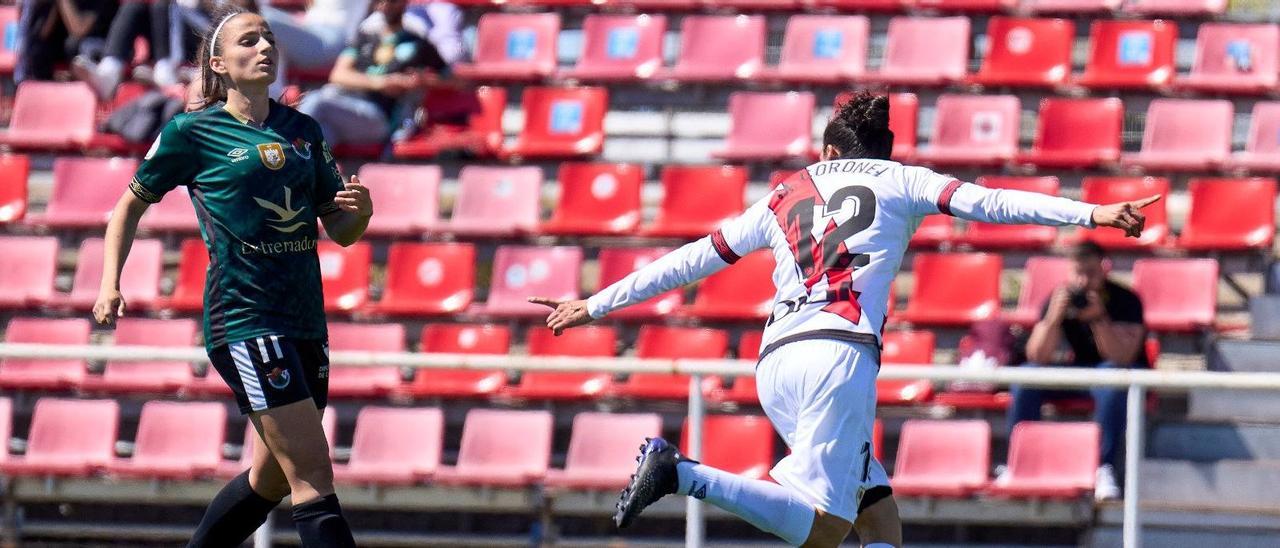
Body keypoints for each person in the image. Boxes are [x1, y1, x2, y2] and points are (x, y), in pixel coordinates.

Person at [531, 92, 1159, 548]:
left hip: (775, 362)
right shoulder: (902, 179)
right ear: (885, 150)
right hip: (840, 356)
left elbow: (694, 259)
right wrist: (1092, 214)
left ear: (829, 150)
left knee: (880, 522)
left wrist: (595, 303)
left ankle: (687, 474)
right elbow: (991, 202)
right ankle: (683, 473)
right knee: (824, 531)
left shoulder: (786, 191)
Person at [92, 6, 372, 547]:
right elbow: (127, 208)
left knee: (270, 479)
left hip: (304, 321)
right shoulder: (193, 132)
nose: (264, 46)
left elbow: (340, 230)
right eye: (249, 41)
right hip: (246, 318)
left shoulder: (303, 131)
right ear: (219, 63)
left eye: (268, 37)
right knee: (313, 473)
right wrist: (110, 283)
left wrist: (358, 211)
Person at [1007, 240, 1147, 501]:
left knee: (1111, 379)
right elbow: (1038, 356)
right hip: (1080, 370)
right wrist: (1053, 319)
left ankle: (1102, 468)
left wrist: (1098, 319)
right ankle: (1018, 461)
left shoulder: (1126, 300)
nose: (1083, 281)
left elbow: (1121, 357)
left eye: (1090, 274)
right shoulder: (1059, 298)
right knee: (1025, 377)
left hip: (1118, 371)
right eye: (1077, 273)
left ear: (1104, 270)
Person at [296, 0, 449, 148]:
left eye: (391, 1)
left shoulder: (417, 42)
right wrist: (381, 82)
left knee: (316, 100)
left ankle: (280, 162)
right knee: (322, 135)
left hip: (379, 117)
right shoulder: (364, 38)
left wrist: (421, 81)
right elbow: (338, 75)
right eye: (379, 1)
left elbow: (453, 79)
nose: (385, 5)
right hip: (347, 108)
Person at [73, 0, 176, 99]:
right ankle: (110, 73)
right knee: (133, 7)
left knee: (160, 6)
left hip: (184, 33)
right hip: (160, 32)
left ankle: (165, 73)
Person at [17, 0, 118, 83]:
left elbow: (79, 29)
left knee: (73, 45)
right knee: (39, 46)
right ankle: (35, 88)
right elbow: (42, 33)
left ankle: (79, 95)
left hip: (97, 45)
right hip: (68, 45)